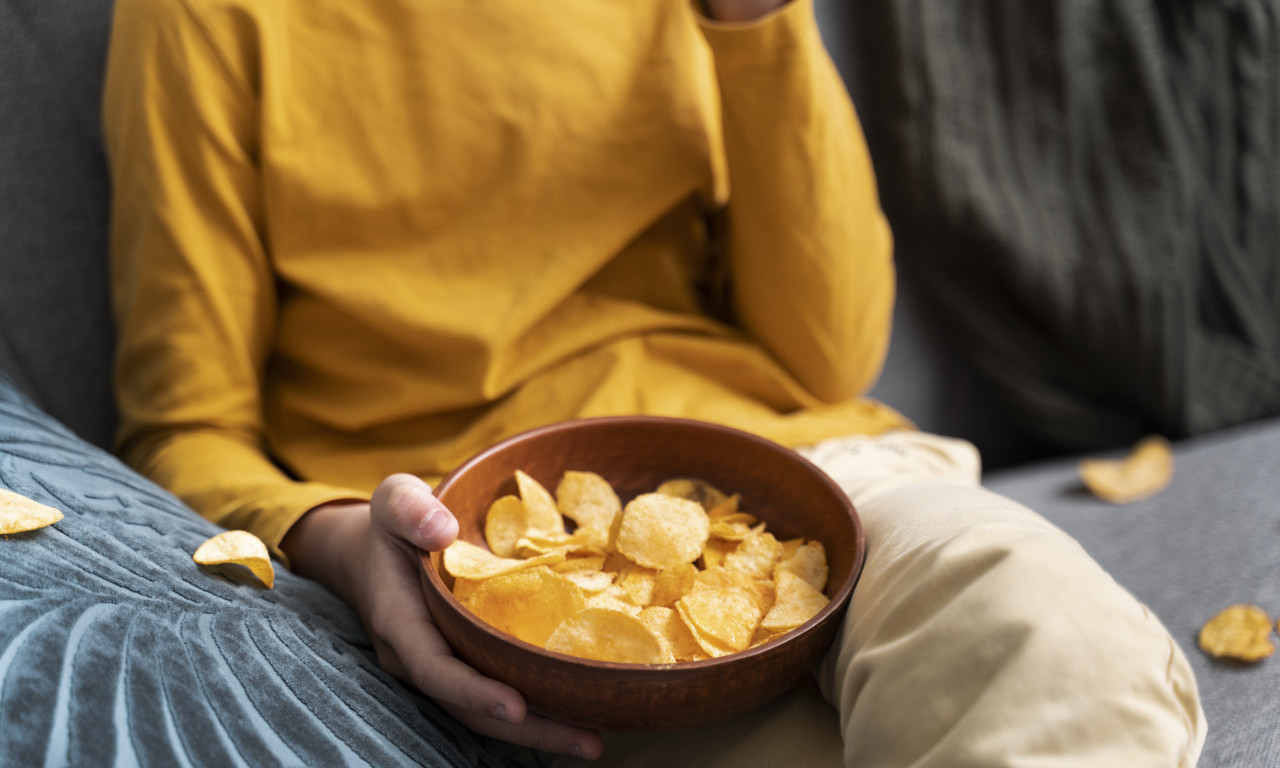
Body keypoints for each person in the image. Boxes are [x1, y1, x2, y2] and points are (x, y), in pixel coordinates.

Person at [102, 0, 1206, 765]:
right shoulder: (202, 20)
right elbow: (183, 428)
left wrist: (753, 27)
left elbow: (827, 356)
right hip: (515, 602)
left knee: (1029, 626)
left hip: (804, 475)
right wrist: (335, 540)